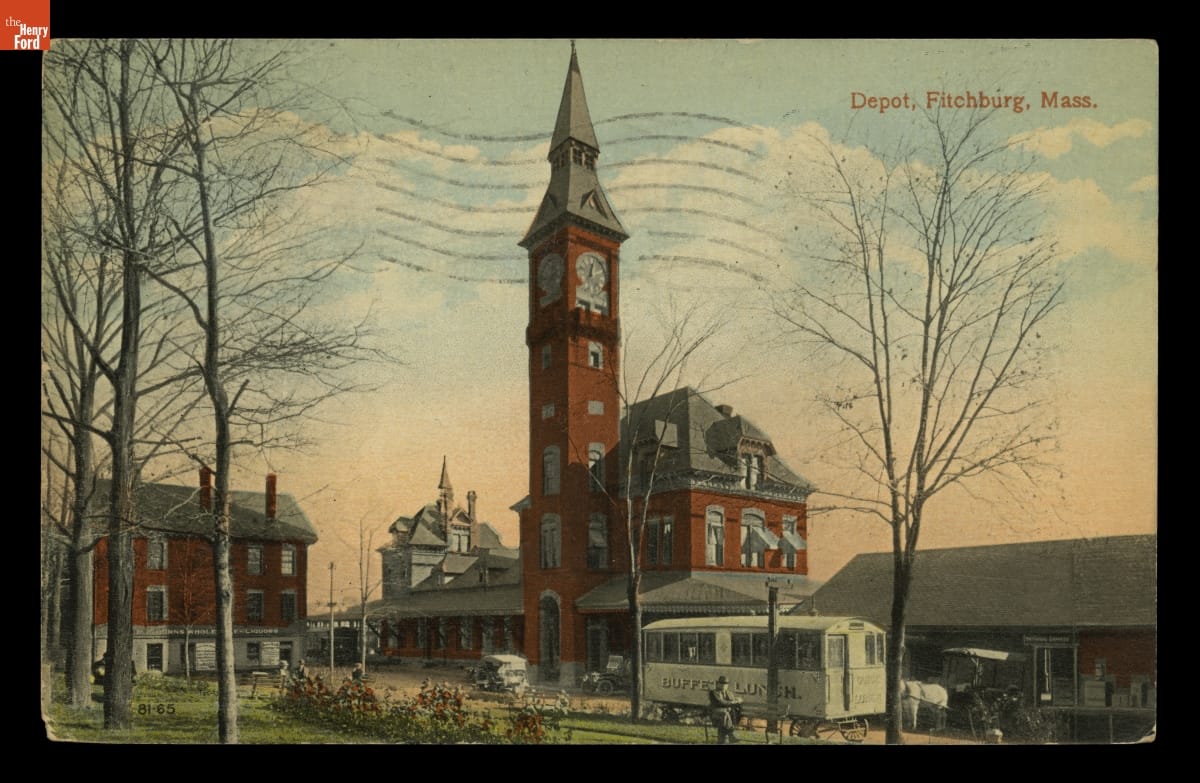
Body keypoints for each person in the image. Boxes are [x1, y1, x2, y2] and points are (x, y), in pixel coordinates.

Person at [708, 675, 743, 744]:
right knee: (724, 713)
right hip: (715, 715)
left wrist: (737, 700)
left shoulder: (729, 693)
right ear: (718, 684)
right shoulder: (713, 693)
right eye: (721, 683)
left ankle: (722, 741)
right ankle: (732, 734)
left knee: (724, 717)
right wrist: (733, 702)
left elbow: (733, 702)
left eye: (725, 684)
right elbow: (722, 703)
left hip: (725, 717)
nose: (724, 685)